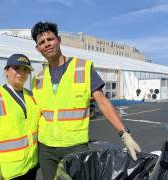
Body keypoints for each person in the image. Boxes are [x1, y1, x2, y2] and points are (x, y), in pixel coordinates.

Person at [31, 21, 141, 180]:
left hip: (75, 147)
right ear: (37, 48)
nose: (46, 44)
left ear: (59, 40)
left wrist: (124, 134)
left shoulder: (82, 68)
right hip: (46, 149)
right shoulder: (38, 78)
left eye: (50, 39)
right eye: (41, 42)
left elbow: (102, 102)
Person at [0, 54, 40, 180]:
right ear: (6, 71)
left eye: (25, 70)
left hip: (31, 165)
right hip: (7, 172)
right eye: (17, 68)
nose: (21, 73)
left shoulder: (32, 96)